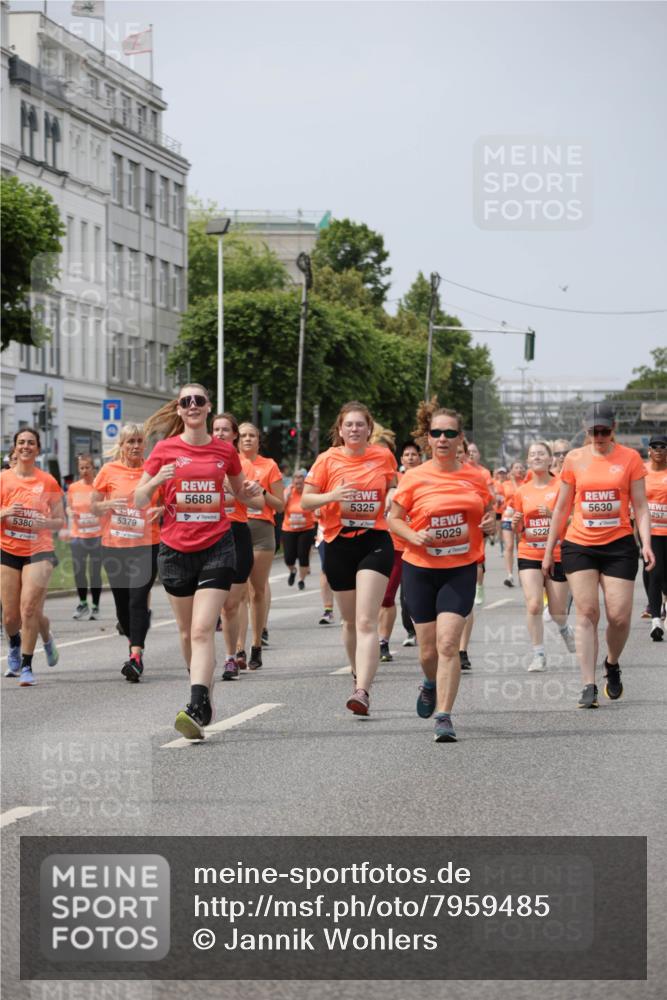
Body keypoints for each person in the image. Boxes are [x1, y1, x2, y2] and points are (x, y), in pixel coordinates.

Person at [136, 386, 262, 739]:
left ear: (208, 408)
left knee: (202, 629)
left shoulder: (224, 451)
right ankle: (203, 690)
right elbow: (138, 497)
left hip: (217, 547)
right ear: (179, 409)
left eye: (199, 401)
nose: (192, 406)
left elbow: (239, 492)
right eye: (186, 401)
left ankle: (195, 703)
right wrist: (155, 482)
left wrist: (250, 494)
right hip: (175, 550)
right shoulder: (164, 450)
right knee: (186, 631)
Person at [389, 403, 495, 742]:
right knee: (428, 650)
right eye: (437, 433)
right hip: (420, 568)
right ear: (428, 439)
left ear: (461, 439)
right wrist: (412, 535)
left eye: (451, 433)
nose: (444, 439)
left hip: (460, 567)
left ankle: (444, 716)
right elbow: (393, 518)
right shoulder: (415, 477)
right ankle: (430, 682)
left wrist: (490, 524)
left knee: (449, 643)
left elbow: (488, 511)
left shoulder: (477, 476)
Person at [543, 403, 654, 708]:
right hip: (580, 544)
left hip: (618, 545)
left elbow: (641, 506)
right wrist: (549, 548)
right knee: (588, 612)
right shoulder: (574, 459)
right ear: (586, 429)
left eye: (605, 430)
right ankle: (587, 684)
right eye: (594, 431)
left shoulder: (629, 458)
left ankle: (612, 663)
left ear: (614, 428)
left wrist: (645, 543)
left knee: (618, 616)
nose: (600, 436)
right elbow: (562, 507)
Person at [302, 401, 397, 716]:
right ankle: (358, 670)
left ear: (369, 429)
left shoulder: (383, 457)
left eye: (360, 424)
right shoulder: (327, 460)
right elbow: (306, 500)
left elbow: (396, 488)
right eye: (349, 425)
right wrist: (332, 496)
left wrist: (396, 498)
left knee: (367, 619)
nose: (355, 429)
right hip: (338, 542)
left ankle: (363, 691)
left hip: (374, 541)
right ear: (339, 430)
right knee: (350, 621)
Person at [91, 424, 162, 683]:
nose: (135, 445)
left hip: (147, 545)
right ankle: (133, 630)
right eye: (130, 441)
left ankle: (135, 656)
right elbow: (92, 506)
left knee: (138, 600)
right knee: (123, 608)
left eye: (139, 441)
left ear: (145, 444)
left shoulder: (153, 471)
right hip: (115, 546)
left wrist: (162, 509)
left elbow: (168, 499)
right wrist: (108, 504)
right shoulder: (108, 471)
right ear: (121, 444)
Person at [1, 427, 64, 685]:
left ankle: (26, 666)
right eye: (21, 442)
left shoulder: (48, 481)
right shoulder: (3, 479)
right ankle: (16, 643)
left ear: (38, 449)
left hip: (39, 551)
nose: (26, 446)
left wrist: (44, 523)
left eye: (31, 443)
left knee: (28, 608)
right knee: (10, 616)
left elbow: (60, 521)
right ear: (15, 447)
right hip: (8, 549)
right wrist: (5, 512)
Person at [511, 441, 575, 671]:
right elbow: (519, 529)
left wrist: (554, 516)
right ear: (528, 461)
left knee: (558, 612)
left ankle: (565, 628)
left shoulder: (561, 486)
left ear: (550, 460)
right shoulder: (521, 491)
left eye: (541, 454)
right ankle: (538, 655)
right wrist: (516, 524)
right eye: (532, 455)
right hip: (529, 552)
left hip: (558, 553)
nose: (536, 457)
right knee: (534, 605)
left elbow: (573, 520)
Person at [211, 413, 264, 679]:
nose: (219, 434)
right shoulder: (203, 461)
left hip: (237, 533)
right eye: (215, 429)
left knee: (232, 603)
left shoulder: (241, 465)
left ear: (234, 435)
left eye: (225, 430)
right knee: (215, 606)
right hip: (209, 534)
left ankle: (232, 656)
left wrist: (238, 491)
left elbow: (259, 505)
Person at [237, 423, 285, 670]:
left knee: (256, 590)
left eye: (252, 435)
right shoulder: (230, 463)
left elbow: (280, 505)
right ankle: (238, 649)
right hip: (236, 528)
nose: (247, 439)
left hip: (261, 531)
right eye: (243, 435)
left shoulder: (269, 466)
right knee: (238, 593)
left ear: (258, 440)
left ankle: (256, 644)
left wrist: (262, 491)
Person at [67, 453, 103, 620]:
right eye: (81, 468)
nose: (85, 470)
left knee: (94, 572)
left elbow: (105, 506)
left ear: (93, 468)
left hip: (96, 535)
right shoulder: (74, 487)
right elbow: (68, 507)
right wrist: (70, 512)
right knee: (79, 571)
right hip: (78, 535)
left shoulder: (99, 486)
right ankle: (83, 603)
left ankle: (95, 606)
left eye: (87, 467)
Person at [643, 434, 667, 641]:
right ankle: (656, 620)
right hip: (651, 533)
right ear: (649, 450)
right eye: (655, 446)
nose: (659, 449)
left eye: (663, 446)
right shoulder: (642, 472)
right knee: (655, 573)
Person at [398, 440, 422, 646]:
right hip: (395, 544)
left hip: (418, 545)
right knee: (396, 594)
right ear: (401, 459)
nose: (410, 458)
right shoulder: (395, 481)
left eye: (414, 454)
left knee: (410, 591)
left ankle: (418, 628)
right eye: (407, 455)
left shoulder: (426, 480)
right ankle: (410, 630)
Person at [282, 469, 316, 591]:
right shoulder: (288, 491)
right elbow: (281, 507)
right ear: (292, 482)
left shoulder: (308, 492)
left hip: (306, 528)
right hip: (289, 528)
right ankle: (293, 570)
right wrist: (285, 496)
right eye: (296, 482)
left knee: (303, 556)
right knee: (288, 558)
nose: (298, 485)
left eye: (301, 483)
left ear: (304, 482)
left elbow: (315, 507)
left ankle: (301, 580)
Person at [501, 460, 526, 586]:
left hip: (521, 517)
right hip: (508, 517)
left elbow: (518, 494)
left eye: (521, 467)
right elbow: (501, 497)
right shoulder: (505, 484)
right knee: (509, 546)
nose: (519, 470)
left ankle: (523, 573)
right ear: (511, 470)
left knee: (520, 546)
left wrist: (515, 483)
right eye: (516, 467)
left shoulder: (526, 483)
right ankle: (509, 575)